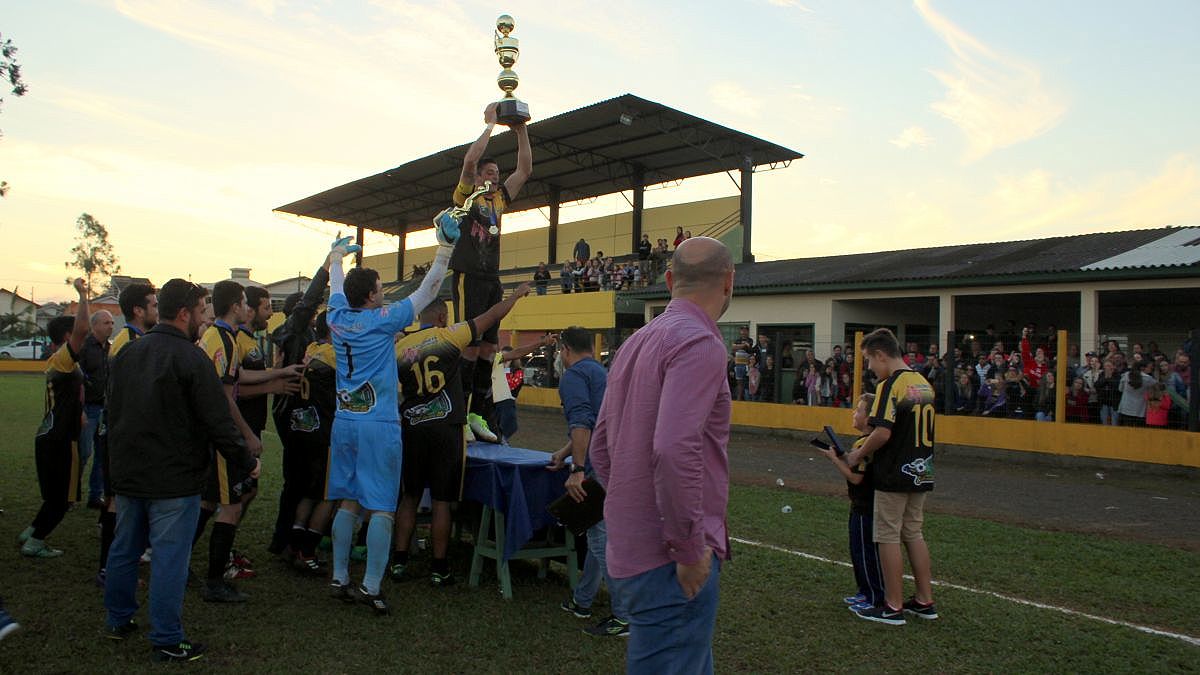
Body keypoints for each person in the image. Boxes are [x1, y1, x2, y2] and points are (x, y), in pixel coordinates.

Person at [591, 237, 734, 673]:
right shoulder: (701, 344)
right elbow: (674, 449)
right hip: (669, 560)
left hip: (631, 547)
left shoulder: (636, 342)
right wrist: (688, 548)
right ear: (729, 282)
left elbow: (601, 447)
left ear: (669, 280)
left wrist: (632, 512)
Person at [105, 278, 260, 662]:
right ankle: (167, 638)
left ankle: (118, 619)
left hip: (130, 471)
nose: (205, 318)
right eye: (201, 311)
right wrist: (246, 461)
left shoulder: (128, 353)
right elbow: (217, 420)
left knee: (125, 549)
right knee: (169, 558)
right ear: (184, 314)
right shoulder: (192, 358)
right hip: (173, 479)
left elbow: (112, 412)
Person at [326, 228, 452, 615]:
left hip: (345, 419)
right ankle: (371, 585)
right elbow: (427, 292)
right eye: (380, 288)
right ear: (370, 296)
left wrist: (335, 260)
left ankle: (339, 576)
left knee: (349, 501)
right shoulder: (381, 320)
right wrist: (445, 249)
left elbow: (335, 286)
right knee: (381, 506)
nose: (384, 293)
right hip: (378, 423)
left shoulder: (335, 315)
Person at [389, 286, 529, 588]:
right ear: (442, 317)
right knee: (442, 500)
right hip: (446, 427)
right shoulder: (449, 336)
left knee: (410, 496)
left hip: (412, 426)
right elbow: (491, 314)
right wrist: (515, 296)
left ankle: (399, 560)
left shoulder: (399, 347)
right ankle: (439, 567)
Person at [194, 281, 301, 603]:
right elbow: (225, 396)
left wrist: (275, 374)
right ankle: (215, 581)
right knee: (230, 507)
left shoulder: (219, 337)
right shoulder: (225, 339)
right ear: (235, 306)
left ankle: (182, 562)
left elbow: (235, 380)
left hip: (210, 433)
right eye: (244, 302)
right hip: (221, 436)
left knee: (211, 502)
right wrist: (247, 435)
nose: (248, 309)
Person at [449, 102, 532, 445]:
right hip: (468, 275)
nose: (494, 177)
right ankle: (458, 417)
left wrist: (521, 130)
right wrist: (491, 126)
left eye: (497, 173)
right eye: (490, 172)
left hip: (491, 278)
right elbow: (469, 162)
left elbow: (524, 169)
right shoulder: (466, 196)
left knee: (488, 349)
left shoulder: (499, 201)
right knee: (468, 347)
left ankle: (476, 414)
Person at [845, 328, 937, 626]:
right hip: (921, 470)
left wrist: (857, 455)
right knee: (913, 533)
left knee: (887, 536)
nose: (870, 368)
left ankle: (892, 606)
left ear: (881, 355)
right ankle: (924, 600)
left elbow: (882, 432)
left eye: (870, 360)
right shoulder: (923, 383)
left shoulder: (890, 385)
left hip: (894, 472)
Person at [547, 326, 629, 638]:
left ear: (565, 349)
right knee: (597, 533)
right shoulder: (601, 373)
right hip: (618, 461)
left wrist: (577, 468)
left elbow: (581, 422)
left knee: (599, 538)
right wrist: (565, 452)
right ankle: (583, 600)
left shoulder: (574, 376)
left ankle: (625, 615)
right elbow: (595, 422)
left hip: (600, 467)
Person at [17, 278, 90, 558]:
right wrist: (83, 295)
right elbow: (83, 328)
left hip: (49, 436)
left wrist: (80, 411)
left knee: (55, 495)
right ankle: (35, 542)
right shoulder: (63, 359)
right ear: (68, 337)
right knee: (64, 499)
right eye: (76, 334)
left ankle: (31, 531)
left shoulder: (57, 360)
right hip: (60, 439)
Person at [95, 283, 158, 585]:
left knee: (125, 499)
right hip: (121, 433)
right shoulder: (127, 342)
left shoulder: (137, 339)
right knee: (117, 500)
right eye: (153, 305)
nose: (157, 310)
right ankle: (108, 568)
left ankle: (121, 562)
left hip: (128, 431)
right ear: (138, 310)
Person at [267, 260, 331, 556]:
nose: (315, 314)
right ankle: (288, 542)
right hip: (298, 415)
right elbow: (306, 306)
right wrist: (327, 267)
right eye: (312, 310)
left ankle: (286, 540)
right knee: (300, 482)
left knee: (302, 482)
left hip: (301, 413)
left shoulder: (303, 337)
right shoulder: (294, 331)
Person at [817, 393, 884, 613]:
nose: (854, 413)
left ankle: (873, 595)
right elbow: (855, 465)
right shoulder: (863, 443)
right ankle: (864, 590)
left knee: (865, 552)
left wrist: (835, 460)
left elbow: (856, 478)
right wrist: (843, 456)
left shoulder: (865, 443)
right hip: (861, 505)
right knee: (858, 550)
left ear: (869, 417)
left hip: (865, 506)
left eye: (859, 410)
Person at [284, 311, 337, 574]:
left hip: (304, 429)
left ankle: (295, 546)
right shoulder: (334, 355)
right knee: (329, 495)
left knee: (308, 492)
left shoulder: (312, 349)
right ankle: (307, 552)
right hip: (324, 434)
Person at [79, 309, 114, 509]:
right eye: (106, 323)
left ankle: (95, 495)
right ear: (95, 326)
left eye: (111, 323)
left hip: (104, 409)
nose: (111, 326)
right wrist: (80, 409)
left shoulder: (110, 348)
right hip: (88, 408)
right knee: (83, 453)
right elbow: (77, 379)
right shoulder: (85, 348)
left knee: (102, 456)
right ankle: (71, 493)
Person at [1117, 362, 1148, 426]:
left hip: (1126, 408)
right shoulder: (1148, 378)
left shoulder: (1126, 375)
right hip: (1140, 410)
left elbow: (1120, 389)